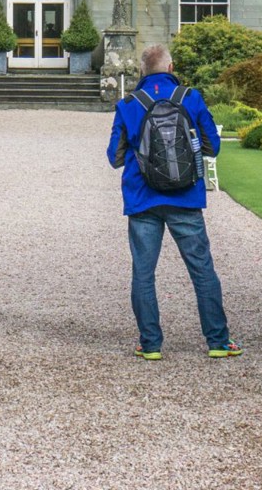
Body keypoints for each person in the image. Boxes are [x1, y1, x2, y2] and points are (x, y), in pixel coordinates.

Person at [106, 43, 241, 360]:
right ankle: (218, 342)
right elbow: (213, 147)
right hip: (184, 196)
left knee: (143, 273)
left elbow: (114, 157)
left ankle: (150, 344)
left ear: (142, 71)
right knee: (202, 270)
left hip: (143, 199)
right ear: (170, 67)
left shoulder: (129, 104)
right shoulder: (189, 97)